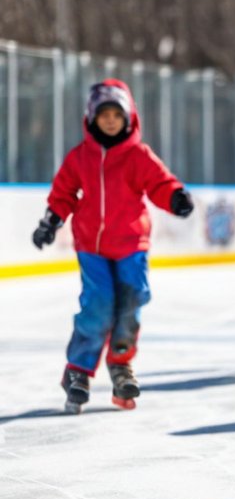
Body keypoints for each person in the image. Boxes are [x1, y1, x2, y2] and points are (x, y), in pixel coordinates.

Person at [31, 79, 194, 414]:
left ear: (128, 116)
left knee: (132, 299)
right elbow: (63, 193)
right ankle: (77, 370)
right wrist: (50, 221)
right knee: (99, 304)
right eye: (102, 113)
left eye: (115, 113)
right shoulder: (80, 157)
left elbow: (159, 183)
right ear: (91, 117)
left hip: (132, 242)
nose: (109, 119)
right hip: (91, 244)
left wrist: (175, 196)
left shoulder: (137, 155)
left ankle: (120, 364)